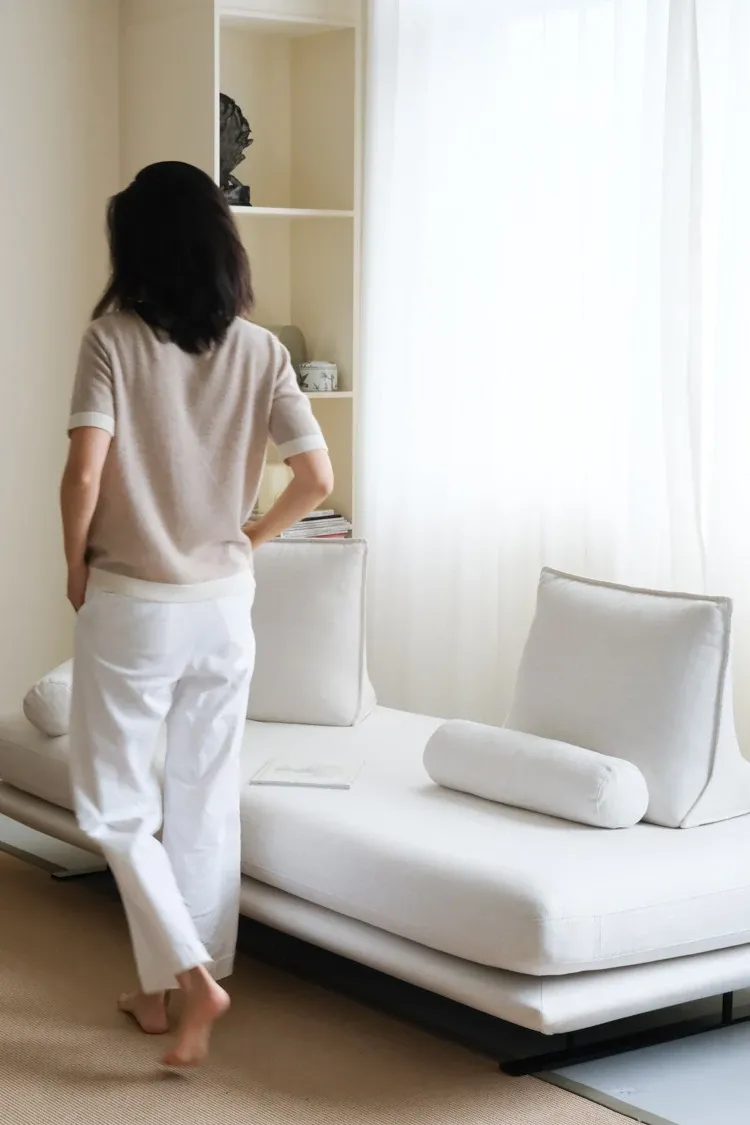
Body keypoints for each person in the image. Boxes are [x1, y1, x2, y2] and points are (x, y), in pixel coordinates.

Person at [60, 161, 333, 1067]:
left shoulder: (111, 340)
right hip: (223, 608)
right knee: (204, 799)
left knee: (114, 807)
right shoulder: (261, 350)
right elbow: (317, 478)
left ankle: (190, 976)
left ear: (135, 246)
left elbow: (84, 472)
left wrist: (73, 562)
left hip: (134, 604)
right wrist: (251, 537)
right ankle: (167, 995)